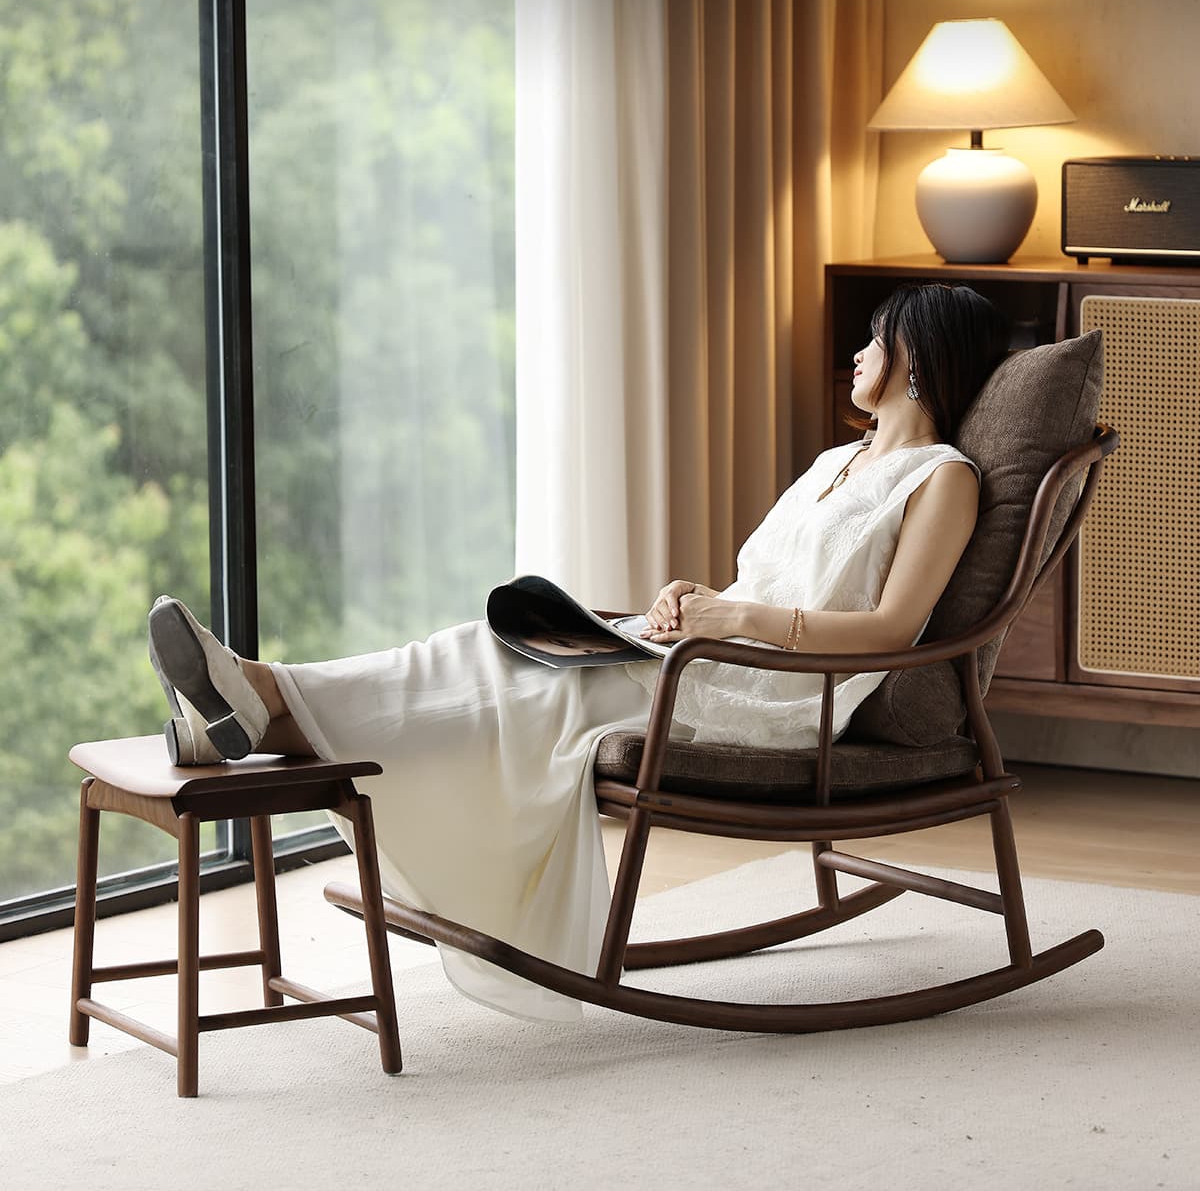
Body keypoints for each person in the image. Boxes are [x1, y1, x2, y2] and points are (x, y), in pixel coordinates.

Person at [147, 282, 1010, 1022]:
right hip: (707, 659)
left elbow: (894, 631)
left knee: (531, 689)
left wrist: (733, 623)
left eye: (875, 337)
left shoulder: (944, 479)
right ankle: (256, 701)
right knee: (491, 645)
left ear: (919, 357)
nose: (859, 352)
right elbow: (761, 582)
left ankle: (256, 702)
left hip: (782, 694)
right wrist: (683, 599)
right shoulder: (835, 462)